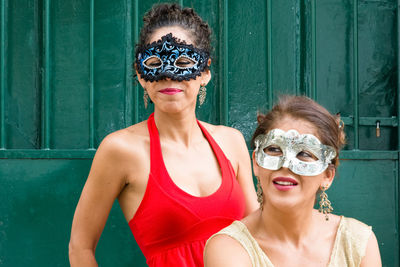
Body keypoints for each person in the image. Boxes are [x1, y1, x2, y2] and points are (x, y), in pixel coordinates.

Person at [68, 3, 258, 267]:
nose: (168, 74)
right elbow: (80, 247)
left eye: (183, 62)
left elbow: (259, 236)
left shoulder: (231, 142)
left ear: (205, 72)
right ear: (141, 74)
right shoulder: (121, 150)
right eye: (154, 63)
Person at [204, 95, 382, 267]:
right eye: (274, 149)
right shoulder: (228, 248)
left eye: (304, 153)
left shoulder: (357, 242)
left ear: (327, 176)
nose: (285, 165)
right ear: (256, 162)